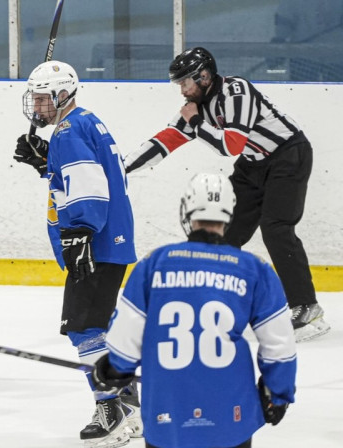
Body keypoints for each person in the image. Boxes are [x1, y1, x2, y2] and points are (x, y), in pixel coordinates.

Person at [123, 47, 328, 343]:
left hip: (287, 155)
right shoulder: (197, 106)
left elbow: (230, 145)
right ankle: (224, 301)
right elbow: (163, 142)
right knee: (223, 232)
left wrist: (195, 123)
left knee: (276, 227)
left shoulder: (236, 90)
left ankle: (307, 307)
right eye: (178, 83)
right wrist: (122, 168)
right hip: (252, 164)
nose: (181, 90)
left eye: (185, 82)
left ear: (204, 76)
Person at [92, 173, 298, 448]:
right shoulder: (254, 268)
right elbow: (279, 344)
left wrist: (114, 369)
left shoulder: (154, 264)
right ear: (230, 213)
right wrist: (278, 394)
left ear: (186, 209)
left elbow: (125, 340)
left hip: (166, 413)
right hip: (231, 416)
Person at [14, 60, 139, 447]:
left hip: (96, 241)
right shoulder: (85, 122)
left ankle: (111, 408)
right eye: (33, 98)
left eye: (42, 98)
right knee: (99, 325)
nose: (36, 107)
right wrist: (43, 163)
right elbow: (84, 173)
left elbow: (86, 183)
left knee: (85, 328)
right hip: (112, 238)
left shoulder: (68, 131)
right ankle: (130, 400)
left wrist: (80, 231)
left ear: (62, 94)